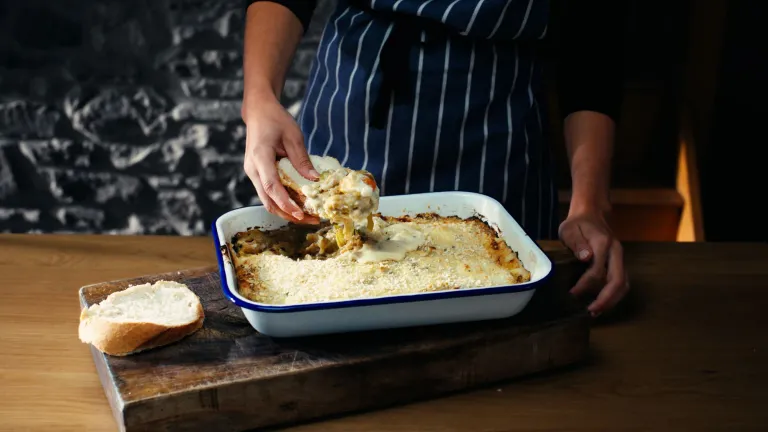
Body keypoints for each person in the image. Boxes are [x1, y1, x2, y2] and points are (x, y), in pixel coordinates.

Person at [240, 0, 629, 316]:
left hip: (493, 123)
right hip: (357, 91)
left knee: (499, 296)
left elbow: (593, 41)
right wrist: (258, 99)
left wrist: (590, 206)